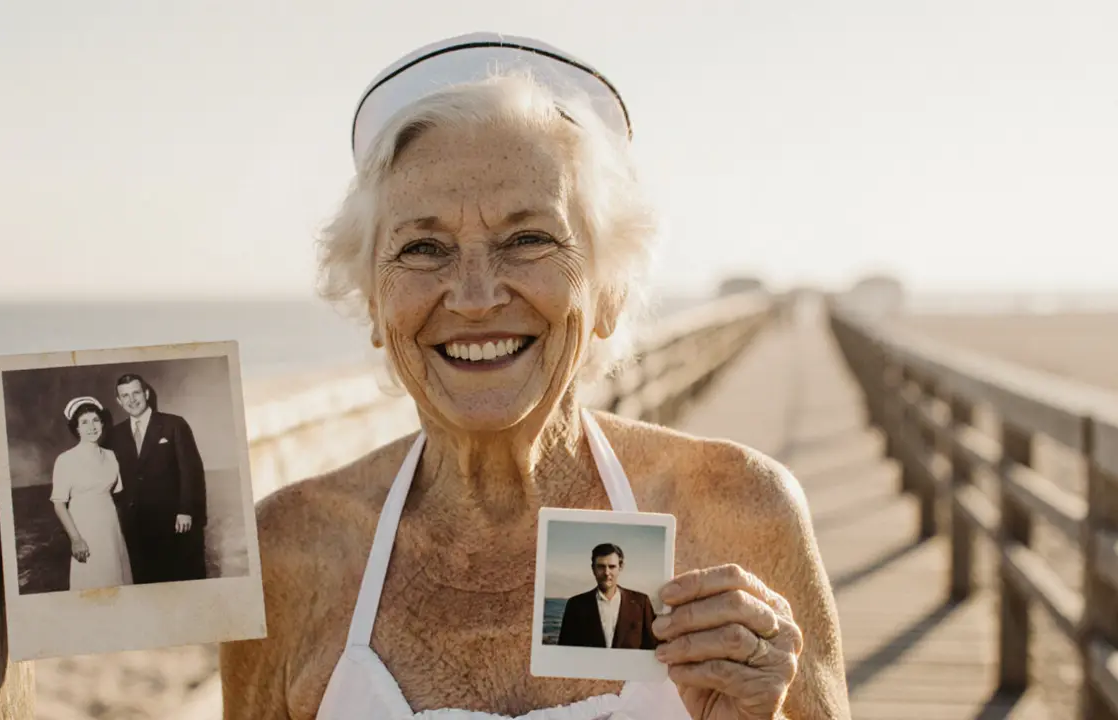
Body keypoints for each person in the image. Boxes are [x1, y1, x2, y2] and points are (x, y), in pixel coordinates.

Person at [221, 32, 851, 720]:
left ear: (609, 290)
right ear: (373, 302)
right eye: (423, 248)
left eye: (528, 240)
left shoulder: (740, 513)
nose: (475, 296)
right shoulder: (291, 552)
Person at [111, 372, 208, 584]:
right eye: (125, 396)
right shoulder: (115, 435)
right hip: (136, 528)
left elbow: (191, 470)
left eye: (136, 393)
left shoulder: (174, 425)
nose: (132, 400)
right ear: (119, 401)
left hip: (174, 523)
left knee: (182, 581)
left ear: (146, 394)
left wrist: (186, 511)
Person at [49, 397, 133, 591]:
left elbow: (116, 493)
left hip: (111, 528)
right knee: (92, 583)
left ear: (102, 424)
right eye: (84, 422)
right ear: (76, 428)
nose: (92, 427)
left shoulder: (111, 456)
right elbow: (59, 504)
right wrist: (76, 539)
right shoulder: (66, 460)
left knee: (116, 577)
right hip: (85, 529)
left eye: (95, 420)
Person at [556, 543, 658, 650]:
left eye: (612, 567)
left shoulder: (641, 603)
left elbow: (652, 647)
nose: (606, 572)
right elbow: (564, 650)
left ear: (620, 567)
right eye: (601, 567)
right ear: (593, 569)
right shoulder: (575, 605)